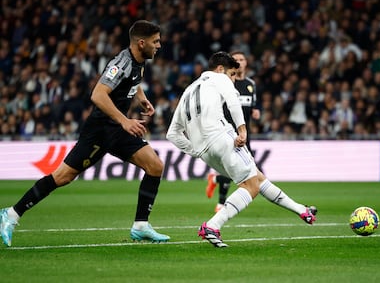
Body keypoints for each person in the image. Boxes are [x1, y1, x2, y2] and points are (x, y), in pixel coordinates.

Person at [0, 20, 170, 247]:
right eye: (155, 41)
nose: (159, 45)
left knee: (155, 166)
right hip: (100, 131)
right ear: (141, 43)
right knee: (63, 177)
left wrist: (141, 99)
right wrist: (125, 120)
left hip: (117, 130)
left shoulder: (140, 61)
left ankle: (140, 226)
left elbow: (134, 82)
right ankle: (11, 214)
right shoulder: (121, 63)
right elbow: (98, 95)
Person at [166, 51, 317, 248]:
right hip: (222, 137)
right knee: (251, 186)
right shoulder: (220, 78)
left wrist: (195, 151)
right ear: (221, 69)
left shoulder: (188, 90)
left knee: (256, 177)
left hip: (205, 151)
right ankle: (213, 226)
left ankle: (301, 210)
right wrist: (242, 130)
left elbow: (172, 134)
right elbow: (232, 99)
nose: (233, 80)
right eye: (232, 75)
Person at [205, 51, 261, 213]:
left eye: (242, 59)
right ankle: (222, 203)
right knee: (236, 166)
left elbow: (252, 105)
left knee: (241, 167)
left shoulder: (251, 84)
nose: (239, 62)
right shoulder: (226, 82)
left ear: (246, 63)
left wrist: (255, 111)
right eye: (236, 60)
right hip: (227, 131)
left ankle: (215, 180)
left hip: (244, 133)